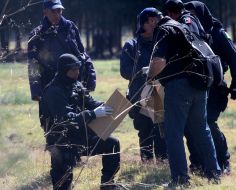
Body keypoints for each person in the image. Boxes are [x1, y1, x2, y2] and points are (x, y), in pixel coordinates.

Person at [138, 7, 221, 186]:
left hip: (180, 86)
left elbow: (158, 61)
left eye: (145, 27)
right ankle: (214, 173)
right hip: (199, 85)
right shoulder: (182, 25)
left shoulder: (164, 29)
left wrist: (149, 77)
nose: (146, 32)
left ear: (152, 20)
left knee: (173, 133)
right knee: (201, 130)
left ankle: (180, 179)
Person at [40, 53, 120, 190]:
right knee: (63, 182)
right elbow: (65, 119)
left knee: (112, 143)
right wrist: (93, 114)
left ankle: (108, 185)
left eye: (78, 68)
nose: (77, 72)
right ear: (64, 71)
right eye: (73, 70)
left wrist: (110, 107)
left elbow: (90, 102)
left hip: (80, 135)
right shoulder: (54, 91)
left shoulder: (75, 84)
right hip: (61, 141)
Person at [184, 1, 236, 174]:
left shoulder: (217, 32)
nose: (190, 17)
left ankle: (223, 161)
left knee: (208, 122)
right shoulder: (187, 34)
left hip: (216, 87)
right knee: (191, 126)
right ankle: (198, 163)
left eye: (193, 13)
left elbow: (234, 58)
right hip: (195, 88)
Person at [120, 12, 167, 163]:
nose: (156, 24)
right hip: (139, 93)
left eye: (157, 20)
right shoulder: (131, 46)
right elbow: (125, 71)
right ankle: (146, 162)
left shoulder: (163, 43)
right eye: (151, 21)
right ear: (142, 24)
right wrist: (143, 72)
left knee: (161, 130)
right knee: (144, 129)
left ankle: (162, 162)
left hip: (160, 92)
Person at [28, 0, 96, 103]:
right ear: (45, 12)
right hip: (50, 87)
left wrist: (90, 79)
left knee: (77, 117)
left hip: (74, 84)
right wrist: (36, 91)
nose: (57, 14)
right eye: (53, 11)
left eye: (59, 10)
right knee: (54, 118)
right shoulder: (37, 35)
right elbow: (33, 65)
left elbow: (83, 54)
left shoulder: (70, 27)